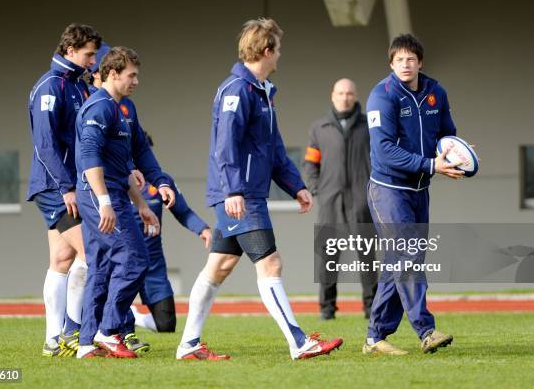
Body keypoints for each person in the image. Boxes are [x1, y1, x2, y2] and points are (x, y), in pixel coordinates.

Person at [176, 18, 343, 361]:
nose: (280, 56)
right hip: (240, 196)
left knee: (218, 267)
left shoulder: (263, 92)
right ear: (266, 50)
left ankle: (188, 345)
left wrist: (296, 186)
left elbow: (275, 149)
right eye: (278, 49)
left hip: (244, 193)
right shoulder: (236, 90)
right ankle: (299, 342)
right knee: (271, 264)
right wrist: (233, 191)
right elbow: (226, 146)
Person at [363, 34, 463, 356]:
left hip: (420, 190)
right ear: (391, 64)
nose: (405, 65)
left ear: (420, 62)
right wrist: (432, 165)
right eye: (399, 60)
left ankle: (374, 337)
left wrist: (454, 151)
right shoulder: (382, 96)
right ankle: (426, 330)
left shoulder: (436, 92)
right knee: (409, 257)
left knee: (399, 263)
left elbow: (447, 133)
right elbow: (385, 150)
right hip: (388, 191)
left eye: (411, 59)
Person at [74, 46, 174, 359]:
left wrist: (143, 204)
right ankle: (109, 331)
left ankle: (87, 343)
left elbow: (126, 162)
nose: (136, 81)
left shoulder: (120, 109)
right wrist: (104, 202)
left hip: (116, 193)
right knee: (134, 259)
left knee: (102, 268)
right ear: (113, 74)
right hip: (100, 197)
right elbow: (90, 158)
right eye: (132, 75)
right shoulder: (99, 108)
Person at [27, 23, 102, 357]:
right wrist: (67, 188)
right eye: (88, 54)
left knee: (62, 259)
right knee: (92, 253)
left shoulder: (78, 86)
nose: (92, 60)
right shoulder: (50, 86)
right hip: (54, 186)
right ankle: (75, 333)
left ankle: (53, 340)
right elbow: (45, 146)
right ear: (70, 51)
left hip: (70, 186)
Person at [303, 78, 377, 320]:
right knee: (328, 256)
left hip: (361, 200)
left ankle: (372, 308)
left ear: (356, 96)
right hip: (330, 201)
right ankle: (327, 309)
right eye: (340, 93)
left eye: (349, 93)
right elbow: (310, 163)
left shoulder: (369, 126)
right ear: (332, 96)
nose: (344, 97)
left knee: (366, 257)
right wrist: (317, 189)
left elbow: (380, 160)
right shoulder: (319, 128)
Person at [129, 134, 213, 334]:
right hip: (124, 262)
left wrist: (203, 229)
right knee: (116, 322)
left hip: (153, 263)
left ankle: (135, 317)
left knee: (166, 325)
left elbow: (183, 211)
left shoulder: (161, 183)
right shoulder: (113, 181)